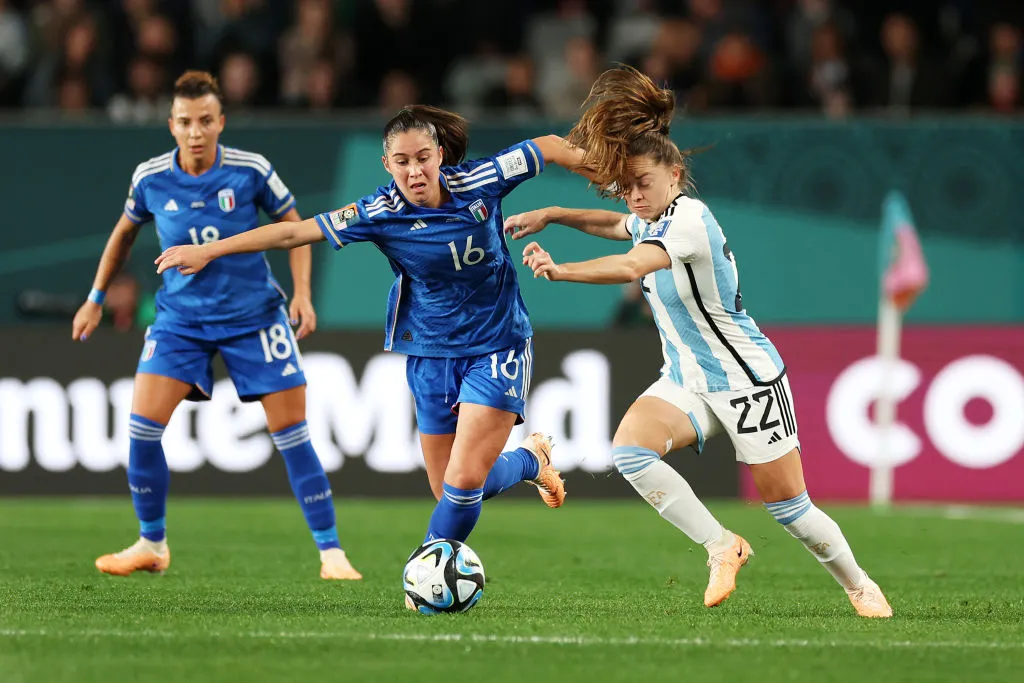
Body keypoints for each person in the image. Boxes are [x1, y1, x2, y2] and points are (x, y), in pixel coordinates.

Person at [155, 105, 596, 590]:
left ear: (440, 155)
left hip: (499, 343)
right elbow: (291, 232)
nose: (415, 170)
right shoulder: (377, 212)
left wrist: (604, 171)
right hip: (429, 352)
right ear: (387, 165)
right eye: (402, 161)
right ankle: (532, 459)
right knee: (451, 487)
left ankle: (425, 582)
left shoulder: (482, 180)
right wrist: (209, 250)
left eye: (424, 157)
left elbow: (550, 147)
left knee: (465, 480)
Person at [511, 66, 892, 618]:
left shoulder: (687, 221)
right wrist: (553, 213)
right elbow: (614, 225)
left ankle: (858, 584)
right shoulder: (650, 213)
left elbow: (630, 262)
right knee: (631, 453)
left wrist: (561, 270)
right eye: (626, 186)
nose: (632, 197)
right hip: (687, 378)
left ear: (675, 174)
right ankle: (722, 545)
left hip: (746, 381)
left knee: (789, 508)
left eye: (642, 184)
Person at [72, 71, 361, 581]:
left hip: (255, 319)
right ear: (171, 126)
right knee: (141, 431)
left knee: (292, 435)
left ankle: (332, 554)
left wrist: (303, 294)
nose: (196, 132)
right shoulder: (151, 178)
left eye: (206, 121)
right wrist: (95, 298)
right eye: (186, 122)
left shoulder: (251, 171)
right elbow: (122, 235)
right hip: (181, 321)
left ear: (221, 122)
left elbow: (294, 228)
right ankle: (151, 543)